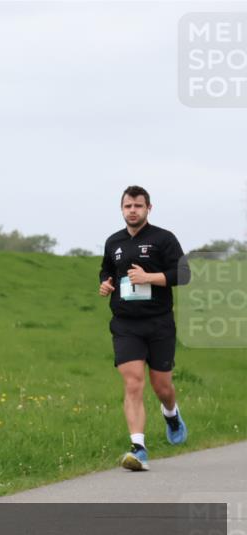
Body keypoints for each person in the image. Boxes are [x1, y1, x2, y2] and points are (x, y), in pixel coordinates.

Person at [99, 185, 189, 472]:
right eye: (128, 206)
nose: (133, 210)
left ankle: (171, 414)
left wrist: (148, 277)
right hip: (126, 324)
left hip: (159, 322)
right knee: (133, 381)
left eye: (138, 205)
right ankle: (138, 448)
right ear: (122, 209)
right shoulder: (113, 242)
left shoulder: (164, 239)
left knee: (162, 386)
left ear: (148, 208)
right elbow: (106, 270)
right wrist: (106, 283)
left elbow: (184, 274)